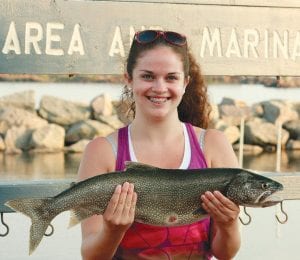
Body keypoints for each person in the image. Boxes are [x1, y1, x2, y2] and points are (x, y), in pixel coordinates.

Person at [77, 30, 241, 259]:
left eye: (171, 78)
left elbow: (225, 253)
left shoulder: (213, 144)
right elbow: (90, 255)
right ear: (129, 78)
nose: (159, 87)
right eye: (147, 76)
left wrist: (229, 224)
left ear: (186, 83)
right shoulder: (101, 151)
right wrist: (112, 231)